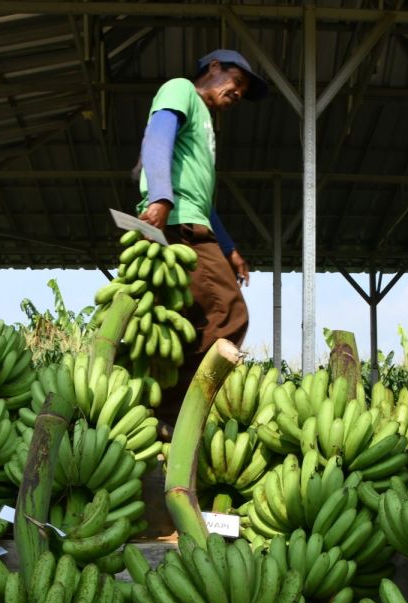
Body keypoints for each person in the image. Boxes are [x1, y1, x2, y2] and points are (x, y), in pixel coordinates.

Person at [134, 49, 268, 429]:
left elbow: (202, 201)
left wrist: (230, 250)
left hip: (192, 222)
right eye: (236, 82)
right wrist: (160, 195)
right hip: (177, 227)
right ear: (212, 68)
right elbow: (157, 137)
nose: (238, 93)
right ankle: (172, 414)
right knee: (228, 313)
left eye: (242, 89)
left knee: (182, 321)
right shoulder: (180, 90)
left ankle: (159, 406)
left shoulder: (206, 127)